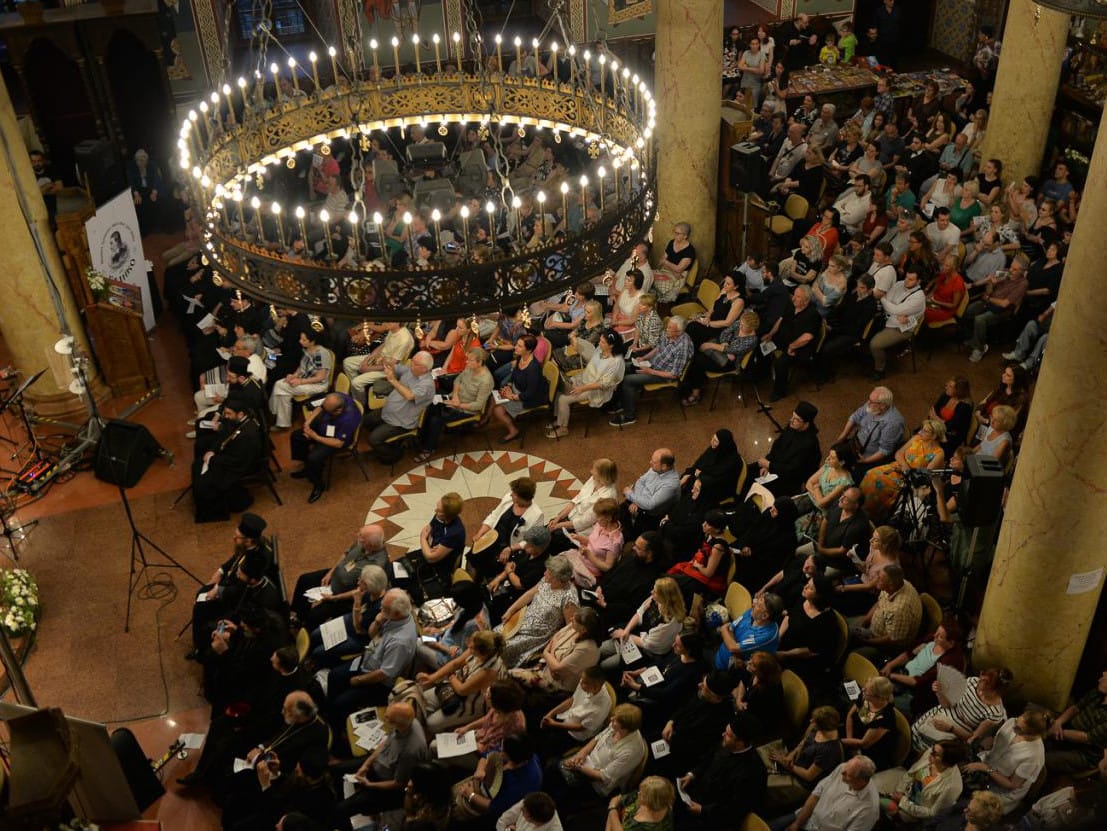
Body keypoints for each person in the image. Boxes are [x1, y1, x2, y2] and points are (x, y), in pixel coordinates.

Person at [324, 588, 419, 722]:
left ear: (397, 613)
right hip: (369, 659)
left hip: (378, 682)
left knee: (340, 703)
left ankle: (336, 726)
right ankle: (330, 711)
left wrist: (359, 680)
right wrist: (377, 621)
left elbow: (384, 673)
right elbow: (371, 634)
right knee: (333, 675)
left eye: (384, 609)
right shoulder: (394, 616)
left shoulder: (400, 642)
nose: (381, 610)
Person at [330, 701, 428, 829]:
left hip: (386, 785)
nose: (384, 718)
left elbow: (398, 784)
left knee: (341, 810)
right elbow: (386, 742)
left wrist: (370, 785)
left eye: (387, 718)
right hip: (379, 763)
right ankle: (337, 797)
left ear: (396, 723)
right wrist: (366, 764)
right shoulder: (407, 723)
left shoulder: (410, 751)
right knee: (336, 770)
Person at [678, 712, 768, 830]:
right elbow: (707, 759)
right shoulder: (727, 743)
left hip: (712, 818)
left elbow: (734, 809)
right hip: (696, 794)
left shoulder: (753, 773)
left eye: (729, 735)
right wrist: (692, 775)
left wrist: (702, 810)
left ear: (740, 742)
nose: (723, 734)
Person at [291, 524, 387, 629]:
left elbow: (360, 591)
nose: (357, 537)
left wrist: (334, 598)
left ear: (370, 545)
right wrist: (330, 572)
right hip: (335, 575)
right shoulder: (361, 542)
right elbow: (345, 555)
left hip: (341, 595)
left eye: (361, 537)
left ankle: (306, 631)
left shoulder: (377, 565)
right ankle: (297, 617)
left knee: (314, 616)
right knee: (305, 579)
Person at [547, 703, 648, 802]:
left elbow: (604, 777)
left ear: (624, 728)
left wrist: (578, 767)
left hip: (596, 784)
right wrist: (581, 753)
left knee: (560, 785)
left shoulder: (630, 752)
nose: (611, 719)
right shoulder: (616, 726)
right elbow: (597, 739)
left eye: (615, 720)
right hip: (585, 762)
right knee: (552, 766)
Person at [416, 629, 507, 733]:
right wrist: (432, 677)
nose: (469, 648)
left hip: (471, 702)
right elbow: (455, 664)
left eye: (472, 648)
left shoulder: (490, 671)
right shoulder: (477, 647)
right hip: (455, 684)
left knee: (431, 723)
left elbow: (462, 690)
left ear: (483, 653)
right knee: (421, 701)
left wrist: (451, 676)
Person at [190, 395, 264, 523]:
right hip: (231, 457)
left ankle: (213, 513)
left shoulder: (248, 435)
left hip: (240, 465)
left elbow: (238, 460)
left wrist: (213, 459)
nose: (226, 416)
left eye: (229, 413)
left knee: (206, 483)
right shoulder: (236, 422)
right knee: (198, 464)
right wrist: (212, 451)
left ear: (240, 414)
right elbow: (224, 438)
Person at [609, 317, 694, 428]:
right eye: (667, 326)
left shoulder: (683, 346)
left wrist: (650, 371)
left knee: (628, 381)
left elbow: (674, 374)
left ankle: (629, 416)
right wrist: (644, 358)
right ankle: (623, 402)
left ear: (678, 332)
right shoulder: (668, 334)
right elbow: (658, 348)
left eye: (669, 328)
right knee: (623, 367)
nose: (666, 329)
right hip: (651, 365)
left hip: (663, 375)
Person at [414, 347, 493, 462]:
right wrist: (455, 396)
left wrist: (458, 404)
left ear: (480, 362)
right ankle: (422, 438)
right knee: (429, 407)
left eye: (470, 360)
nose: (467, 362)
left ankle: (429, 448)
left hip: (466, 409)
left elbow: (478, 406)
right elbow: (457, 381)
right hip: (454, 399)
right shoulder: (470, 368)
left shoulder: (486, 380)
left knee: (436, 419)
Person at [498, 555, 579, 667]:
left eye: (549, 572)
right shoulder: (546, 581)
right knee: (496, 633)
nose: (545, 573)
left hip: (538, 635)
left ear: (558, 578)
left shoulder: (569, 598)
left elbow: (570, 627)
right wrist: (510, 610)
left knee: (504, 646)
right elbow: (529, 595)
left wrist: (552, 645)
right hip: (522, 620)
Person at [963, 709, 1048, 815]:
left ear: (1032, 734)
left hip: (999, 791)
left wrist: (985, 768)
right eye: (1017, 721)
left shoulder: (1034, 756)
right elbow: (997, 742)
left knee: (968, 805)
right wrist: (990, 741)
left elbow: (1011, 785)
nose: (1013, 727)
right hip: (985, 765)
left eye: (1018, 729)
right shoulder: (1012, 722)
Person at [860, 419, 946, 522]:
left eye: (925, 431)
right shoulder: (917, 439)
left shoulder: (939, 454)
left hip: (911, 478)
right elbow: (899, 453)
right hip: (899, 466)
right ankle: (860, 505)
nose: (920, 432)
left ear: (934, 436)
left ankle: (873, 515)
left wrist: (907, 470)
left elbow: (924, 475)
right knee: (870, 474)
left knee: (880, 483)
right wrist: (904, 465)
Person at [764, 706, 845, 813]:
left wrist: (786, 764)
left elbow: (808, 776)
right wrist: (791, 755)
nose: (811, 721)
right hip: (794, 763)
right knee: (761, 757)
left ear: (823, 726)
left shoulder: (829, 751)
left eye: (814, 721)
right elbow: (804, 742)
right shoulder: (815, 728)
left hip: (801, 782)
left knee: (764, 784)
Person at [912, 666, 1012, 752]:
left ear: (995, 692)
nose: (979, 690)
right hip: (940, 713)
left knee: (927, 751)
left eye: (984, 687)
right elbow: (946, 705)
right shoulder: (972, 681)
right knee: (913, 733)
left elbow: (972, 738)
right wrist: (940, 693)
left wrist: (950, 728)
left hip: (955, 732)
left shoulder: (995, 712)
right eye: (981, 679)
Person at [546, 330, 625, 439]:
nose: (599, 343)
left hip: (596, 390)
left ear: (611, 345)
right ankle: (560, 418)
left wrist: (582, 388)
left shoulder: (616, 362)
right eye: (600, 341)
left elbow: (603, 384)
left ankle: (563, 428)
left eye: (602, 342)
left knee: (563, 399)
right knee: (560, 388)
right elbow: (591, 359)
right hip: (585, 379)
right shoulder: (600, 349)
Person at [881, 619, 967, 717]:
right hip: (902, 674)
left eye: (940, 637)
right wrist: (890, 665)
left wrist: (892, 675)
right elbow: (908, 654)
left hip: (916, 693)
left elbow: (917, 681)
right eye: (936, 632)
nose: (935, 636)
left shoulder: (948, 662)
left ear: (951, 643)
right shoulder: (932, 639)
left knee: (882, 700)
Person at [599, 576, 685, 672]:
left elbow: (649, 644)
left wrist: (626, 635)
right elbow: (639, 614)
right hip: (635, 635)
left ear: (664, 597)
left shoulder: (669, 622)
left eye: (655, 591)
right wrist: (626, 631)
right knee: (600, 650)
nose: (651, 592)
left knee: (604, 665)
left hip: (646, 651)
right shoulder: (654, 600)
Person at [469, 477, 547, 583]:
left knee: (492, 565)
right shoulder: (508, 499)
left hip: (509, 548)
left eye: (514, 494)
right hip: (492, 538)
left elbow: (530, 541)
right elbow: (494, 515)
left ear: (522, 497)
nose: (511, 495)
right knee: (474, 554)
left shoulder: (537, 515)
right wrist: (480, 533)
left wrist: (511, 548)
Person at [769, 756, 879, 831]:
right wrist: (797, 824)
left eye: (847, 774)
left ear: (861, 780)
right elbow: (815, 796)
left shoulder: (869, 810)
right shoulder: (843, 768)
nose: (842, 773)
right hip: (805, 817)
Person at [287, 392, 360, 503]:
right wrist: (307, 423)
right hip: (324, 427)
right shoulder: (336, 398)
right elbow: (319, 408)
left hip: (335, 439)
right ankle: (307, 468)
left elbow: (339, 443)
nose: (325, 410)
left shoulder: (350, 417)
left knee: (314, 457)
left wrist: (315, 437)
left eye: (328, 411)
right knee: (297, 436)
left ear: (338, 411)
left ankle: (318, 485)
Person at [365, 351, 436, 459]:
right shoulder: (412, 370)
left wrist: (393, 380)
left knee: (374, 439)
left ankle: (395, 454)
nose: (411, 365)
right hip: (388, 411)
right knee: (366, 421)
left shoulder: (427, 385)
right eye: (412, 361)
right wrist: (384, 360)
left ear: (425, 369)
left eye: (415, 364)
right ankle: (388, 445)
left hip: (401, 421)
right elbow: (396, 366)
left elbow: (409, 396)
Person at [850, 563, 923, 665]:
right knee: (848, 630)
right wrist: (866, 620)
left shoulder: (899, 609)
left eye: (880, 578)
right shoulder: (896, 585)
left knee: (853, 656)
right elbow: (879, 603)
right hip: (874, 629)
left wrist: (867, 642)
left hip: (886, 646)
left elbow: (892, 639)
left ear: (891, 585)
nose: (876, 579)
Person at [881, 740, 968, 823]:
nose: (930, 753)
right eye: (932, 749)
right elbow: (911, 773)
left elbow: (931, 813)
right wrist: (900, 791)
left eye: (935, 754)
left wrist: (902, 802)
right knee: (875, 786)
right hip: (905, 791)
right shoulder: (931, 754)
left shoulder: (953, 787)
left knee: (879, 802)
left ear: (947, 763)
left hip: (916, 810)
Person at [835, 386, 906, 481]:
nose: (868, 403)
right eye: (869, 399)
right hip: (856, 444)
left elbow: (884, 450)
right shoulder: (871, 405)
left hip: (870, 456)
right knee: (834, 456)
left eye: (872, 401)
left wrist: (865, 461)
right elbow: (855, 417)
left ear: (883, 406)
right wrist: (841, 438)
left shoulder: (893, 423)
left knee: (852, 479)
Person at [1044, 669, 1107, 774]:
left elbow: (1086, 737)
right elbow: (1075, 708)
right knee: (1032, 711)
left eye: (1104, 678)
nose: (1099, 679)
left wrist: (1055, 732)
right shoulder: (1097, 693)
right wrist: (1058, 722)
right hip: (1068, 731)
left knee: (1043, 759)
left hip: (1083, 752)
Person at [269, 330, 332, 430]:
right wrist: (293, 376)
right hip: (305, 379)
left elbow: (320, 377)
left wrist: (300, 381)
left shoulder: (321, 354)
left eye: (304, 340)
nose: (300, 341)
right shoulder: (307, 349)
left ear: (312, 341)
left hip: (317, 385)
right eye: (300, 339)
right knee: (282, 389)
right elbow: (301, 367)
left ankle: (273, 414)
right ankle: (281, 422)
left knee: (280, 385)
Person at [757, 401, 822, 497]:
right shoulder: (793, 426)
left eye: (797, 419)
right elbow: (778, 445)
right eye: (792, 416)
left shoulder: (809, 444)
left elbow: (792, 470)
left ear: (806, 424)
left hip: (790, 480)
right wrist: (767, 462)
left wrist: (769, 465)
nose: (791, 420)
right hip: (777, 466)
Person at [490, 336, 545, 443]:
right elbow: (513, 375)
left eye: (519, 346)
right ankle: (485, 419)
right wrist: (509, 386)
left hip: (529, 398)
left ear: (528, 350)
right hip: (517, 389)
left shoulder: (534, 368)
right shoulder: (521, 357)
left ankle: (513, 431)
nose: (515, 347)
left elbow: (530, 393)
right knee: (493, 397)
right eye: (517, 344)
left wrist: (513, 396)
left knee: (498, 411)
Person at [714, 593, 784, 671]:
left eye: (758, 605)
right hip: (721, 653)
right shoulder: (752, 613)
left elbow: (732, 647)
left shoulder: (766, 635)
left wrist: (723, 629)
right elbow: (731, 629)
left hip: (732, 670)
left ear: (764, 616)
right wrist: (731, 641)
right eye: (756, 601)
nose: (753, 604)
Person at [619, 448, 680, 535]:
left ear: (664, 466)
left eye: (654, 462)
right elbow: (641, 481)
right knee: (617, 512)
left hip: (651, 516)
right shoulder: (656, 469)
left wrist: (630, 494)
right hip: (640, 501)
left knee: (631, 534)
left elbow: (650, 505)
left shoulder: (671, 485)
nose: (650, 462)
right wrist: (637, 500)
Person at [605, 775, 674, 831]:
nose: (638, 793)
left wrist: (612, 810)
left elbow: (613, 805)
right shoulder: (663, 803)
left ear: (652, 801)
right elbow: (616, 800)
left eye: (643, 795)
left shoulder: (641, 827)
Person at [498, 792, 564, 831]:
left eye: (523, 811)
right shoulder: (529, 803)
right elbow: (502, 822)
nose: (520, 809)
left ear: (530, 819)